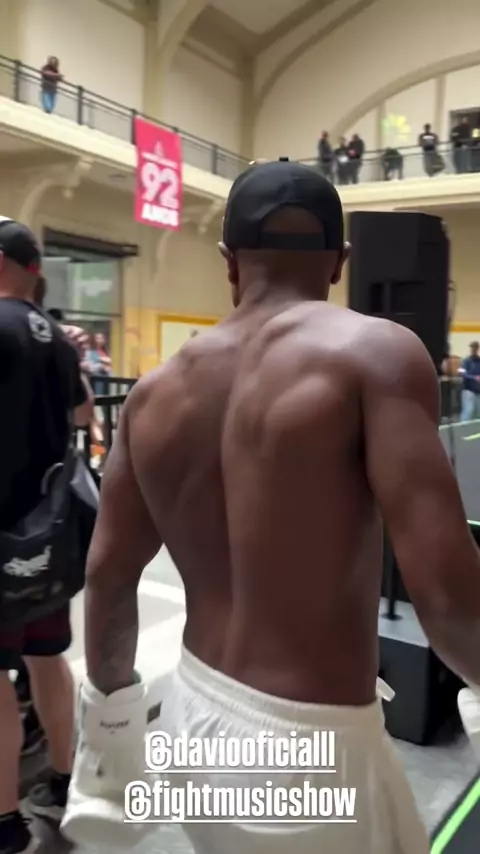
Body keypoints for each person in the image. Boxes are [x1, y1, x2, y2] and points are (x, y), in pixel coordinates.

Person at [64, 160, 480, 852]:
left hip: (192, 717)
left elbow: (107, 576)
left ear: (229, 261)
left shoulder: (154, 394)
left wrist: (111, 732)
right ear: (340, 262)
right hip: (307, 747)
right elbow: (449, 600)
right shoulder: (375, 353)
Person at [0, 219, 94, 854]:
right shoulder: (54, 335)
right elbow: (83, 410)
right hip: (49, 538)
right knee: (47, 659)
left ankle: (4, 822)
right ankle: (64, 782)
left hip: (1, 533)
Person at [459, 340, 480, 421]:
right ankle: (463, 427)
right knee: (468, 411)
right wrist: (474, 378)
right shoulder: (465, 361)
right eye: (472, 348)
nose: (473, 349)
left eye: (475, 348)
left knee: (478, 413)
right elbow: (463, 374)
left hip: (478, 391)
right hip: (468, 389)